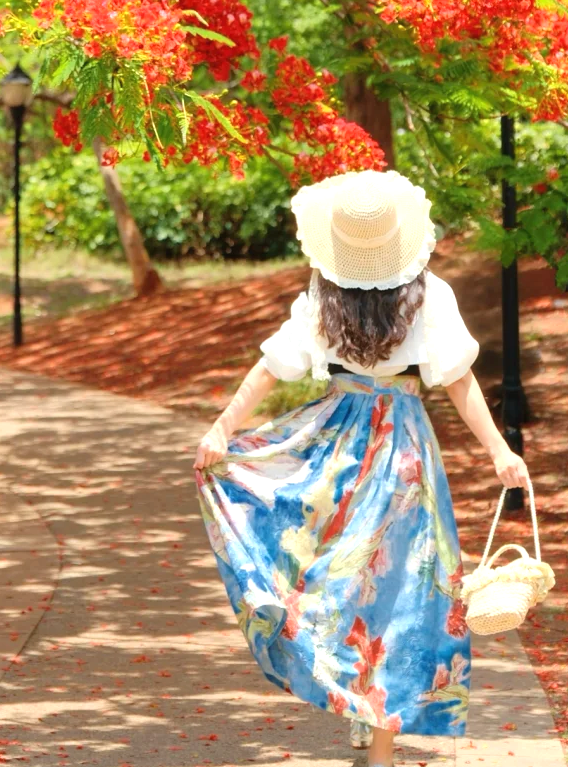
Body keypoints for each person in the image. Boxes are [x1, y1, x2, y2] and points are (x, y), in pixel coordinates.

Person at [193, 169, 530, 767]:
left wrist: (224, 427)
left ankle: (367, 713)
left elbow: (270, 368)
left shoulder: (322, 295)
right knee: (400, 586)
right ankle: (375, 727)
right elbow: (459, 381)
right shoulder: (430, 294)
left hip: (337, 443)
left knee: (336, 578)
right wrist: (498, 449)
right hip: (403, 446)